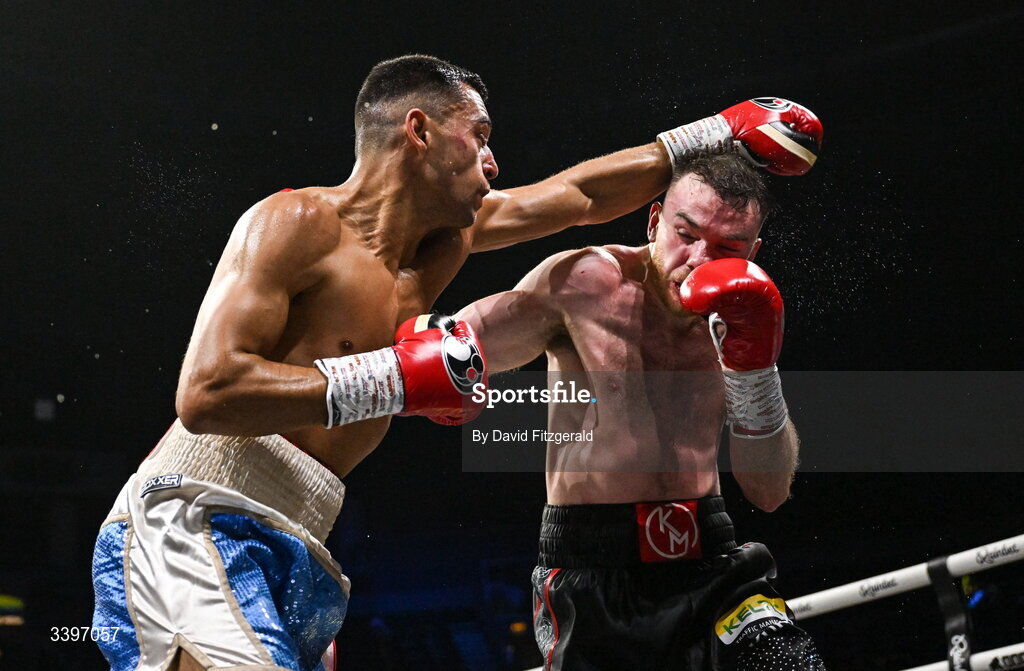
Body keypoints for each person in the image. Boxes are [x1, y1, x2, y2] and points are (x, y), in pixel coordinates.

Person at [90, 49, 820, 670]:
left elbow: (578, 195)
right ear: (420, 130)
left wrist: (716, 131)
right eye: (479, 136)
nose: (494, 160)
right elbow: (206, 390)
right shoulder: (298, 220)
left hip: (300, 531)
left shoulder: (444, 247)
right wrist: (397, 377)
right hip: (195, 511)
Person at [457, 151, 825, 668]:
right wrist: (437, 367)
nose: (699, 259)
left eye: (726, 247)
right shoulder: (582, 284)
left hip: (713, 560)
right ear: (654, 221)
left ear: (753, 253)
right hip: (593, 568)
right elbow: (453, 348)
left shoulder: (745, 319)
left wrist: (755, 370)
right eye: (686, 234)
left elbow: (768, 493)